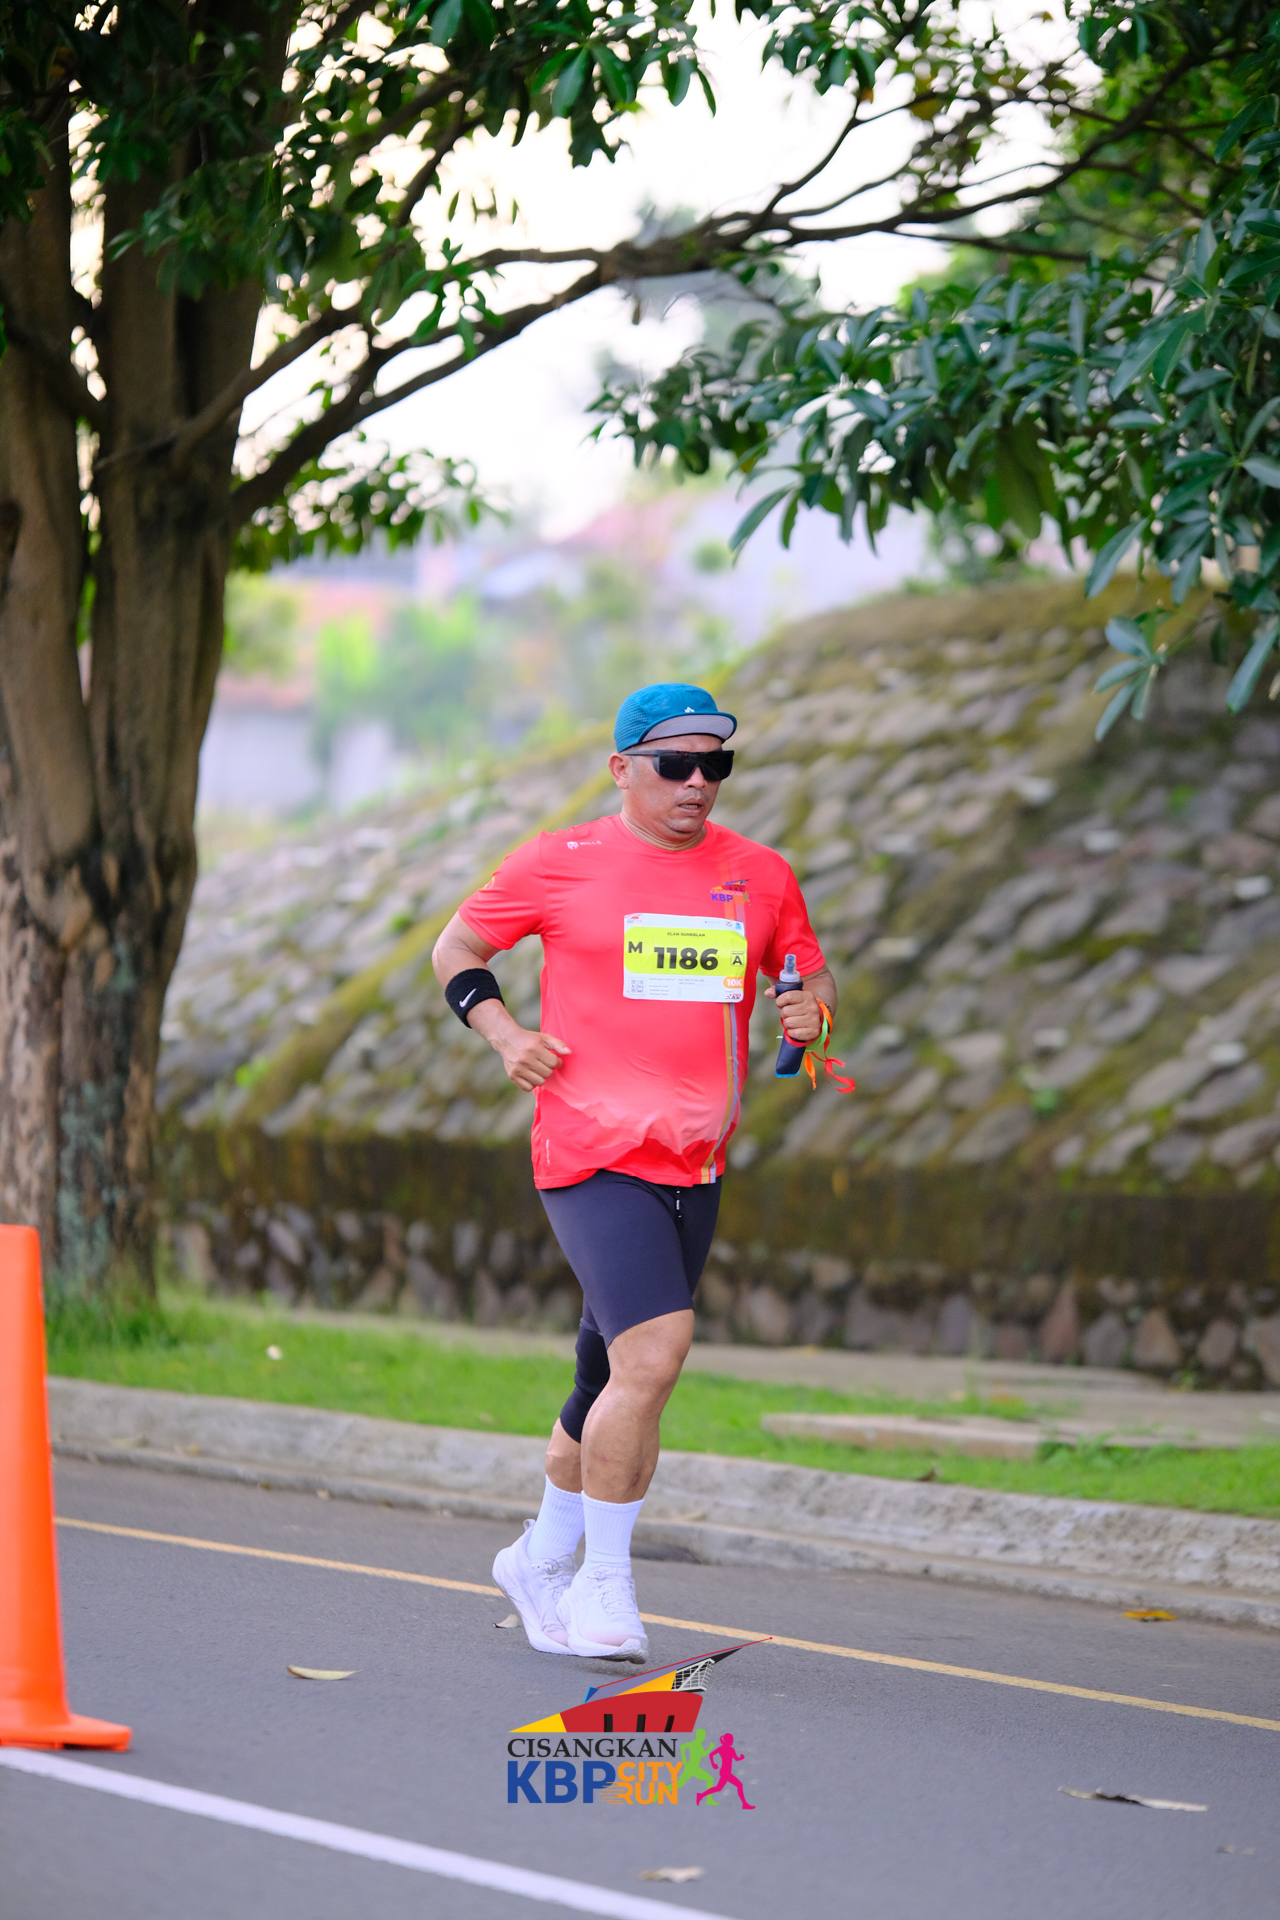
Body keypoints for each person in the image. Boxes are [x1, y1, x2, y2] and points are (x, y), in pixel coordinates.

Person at [431, 682, 836, 1661]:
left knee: (607, 1378)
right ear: (622, 769)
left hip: (696, 1160)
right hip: (589, 1149)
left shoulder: (760, 874)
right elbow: (459, 946)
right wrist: (504, 1035)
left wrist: (812, 1015)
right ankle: (602, 1585)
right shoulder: (558, 862)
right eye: (675, 764)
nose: (697, 782)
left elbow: (808, 977)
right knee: (653, 1355)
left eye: (715, 765)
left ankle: (537, 1557)